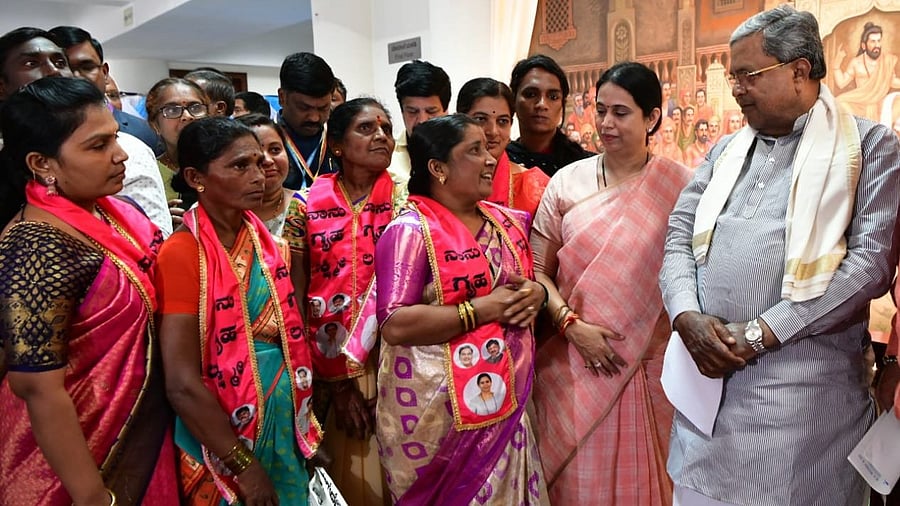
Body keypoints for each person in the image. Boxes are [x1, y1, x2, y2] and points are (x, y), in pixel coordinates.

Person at [660, 6, 900, 505]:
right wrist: (685, 315)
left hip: (801, 414)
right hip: (706, 396)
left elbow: (870, 265)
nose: (736, 89)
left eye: (748, 75)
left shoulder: (871, 146)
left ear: (799, 70)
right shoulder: (725, 150)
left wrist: (760, 334)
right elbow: (680, 231)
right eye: (733, 77)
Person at [0, 76, 177, 505]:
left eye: (114, 138)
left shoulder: (114, 214)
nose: (120, 156)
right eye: (97, 147)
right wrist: (92, 496)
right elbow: (39, 388)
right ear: (42, 163)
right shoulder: (35, 245)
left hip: (144, 432)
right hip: (76, 463)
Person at [531, 61, 691, 505]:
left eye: (620, 113)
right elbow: (537, 272)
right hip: (574, 362)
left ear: (652, 118)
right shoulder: (568, 182)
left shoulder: (681, 186)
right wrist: (570, 325)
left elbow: (694, 276)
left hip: (652, 364)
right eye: (600, 110)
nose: (604, 123)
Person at [375, 114, 548, 504]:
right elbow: (395, 323)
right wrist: (480, 311)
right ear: (438, 168)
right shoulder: (409, 231)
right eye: (474, 150)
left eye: (488, 148)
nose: (490, 158)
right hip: (432, 414)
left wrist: (537, 294)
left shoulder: (507, 225)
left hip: (506, 402)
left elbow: (524, 288)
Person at [156, 117, 321, 505]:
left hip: (282, 419)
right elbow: (181, 381)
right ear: (197, 177)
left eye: (259, 162)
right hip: (221, 433)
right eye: (239, 166)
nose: (258, 175)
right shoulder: (182, 253)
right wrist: (242, 465)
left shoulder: (264, 241)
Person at [283, 97, 403, 506]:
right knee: (346, 480)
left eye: (386, 128)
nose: (381, 136)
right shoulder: (304, 205)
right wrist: (335, 384)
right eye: (367, 128)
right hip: (324, 366)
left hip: (394, 361)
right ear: (336, 145)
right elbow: (295, 296)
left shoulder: (407, 199)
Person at [49, 26, 171, 236]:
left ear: (104, 72)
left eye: (86, 66)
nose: (76, 77)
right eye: (65, 66)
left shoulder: (139, 134)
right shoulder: (36, 138)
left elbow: (156, 232)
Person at [457, 77, 550, 219]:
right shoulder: (441, 183)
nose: (493, 131)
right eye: (481, 119)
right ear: (459, 121)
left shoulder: (535, 188)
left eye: (502, 122)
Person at [506, 54, 591, 177]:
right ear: (513, 100)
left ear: (562, 104)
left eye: (553, 97)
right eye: (530, 94)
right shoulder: (499, 163)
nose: (541, 104)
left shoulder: (584, 166)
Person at [145, 77, 210, 219]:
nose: (187, 116)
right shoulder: (147, 172)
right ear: (154, 124)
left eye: (195, 108)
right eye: (172, 110)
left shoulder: (227, 165)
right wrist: (160, 221)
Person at [389, 60, 451, 193]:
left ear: (446, 111)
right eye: (412, 112)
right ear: (402, 111)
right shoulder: (387, 158)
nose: (422, 120)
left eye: (431, 111)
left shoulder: (461, 154)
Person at [278, 52, 337, 189]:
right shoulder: (260, 142)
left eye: (323, 108)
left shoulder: (340, 139)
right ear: (282, 98)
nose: (314, 117)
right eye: (304, 107)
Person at [236, 113, 293, 235]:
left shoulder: (308, 206)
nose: (267, 160)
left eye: (275, 150)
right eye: (255, 152)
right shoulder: (215, 213)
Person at [834, 22, 900, 120]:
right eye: (873, 41)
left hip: (881, 104)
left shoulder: (887, 61)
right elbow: (841, 83)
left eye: (878, 41)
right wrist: (836, 66)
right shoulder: (856, 63)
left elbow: (892, 81)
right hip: (860, 104)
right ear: (864, 45)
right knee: (839, 103)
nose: (877, 45)